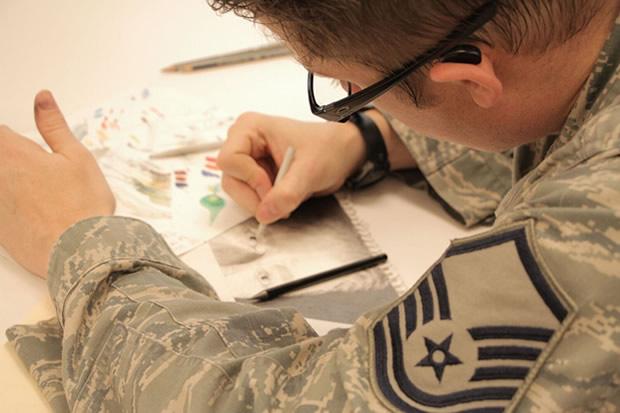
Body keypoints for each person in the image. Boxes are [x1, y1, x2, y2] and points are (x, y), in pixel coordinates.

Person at [2, 0, 618, 411]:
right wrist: (371, 137)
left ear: (467, 76)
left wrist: (81, 239)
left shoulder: (590, 244)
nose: (349, 101)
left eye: (348, 88)